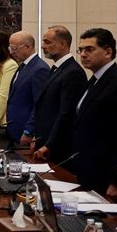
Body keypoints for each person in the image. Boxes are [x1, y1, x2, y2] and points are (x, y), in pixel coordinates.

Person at [70, 28, 117, 199]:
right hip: (87, 169)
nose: (83, 54)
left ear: (108, 52)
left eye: (89, 49)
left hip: (106, 177)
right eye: (81, 50)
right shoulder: (95, 79)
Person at [31, 26, 87, 164]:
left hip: (57, 148)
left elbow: (66, 113)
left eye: (47, 42)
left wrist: (49, 145)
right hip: (44, 141)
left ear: (62, 44)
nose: (43, 46)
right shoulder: (57, 68)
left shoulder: (73, 72)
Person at [6, 30, 50, 144]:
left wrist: (28, 131)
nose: (11, 52)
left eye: (14, 48)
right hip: (13, 130)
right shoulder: (23, 66)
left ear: (28, 46)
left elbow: (39, 105)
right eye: (10, 48)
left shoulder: (40, 69)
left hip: (25, 133)